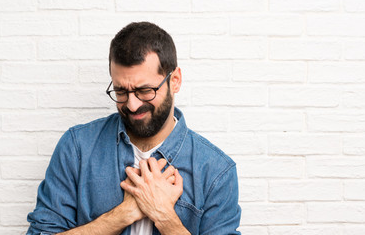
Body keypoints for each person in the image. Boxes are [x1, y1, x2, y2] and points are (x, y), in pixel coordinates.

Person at [26, 22, 242, 235]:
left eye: (145, 90)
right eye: (121, 92)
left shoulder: (216, 171)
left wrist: (163, 215)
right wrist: (123, 214)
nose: (132, 105)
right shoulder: (77, 148)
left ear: (174, 81)